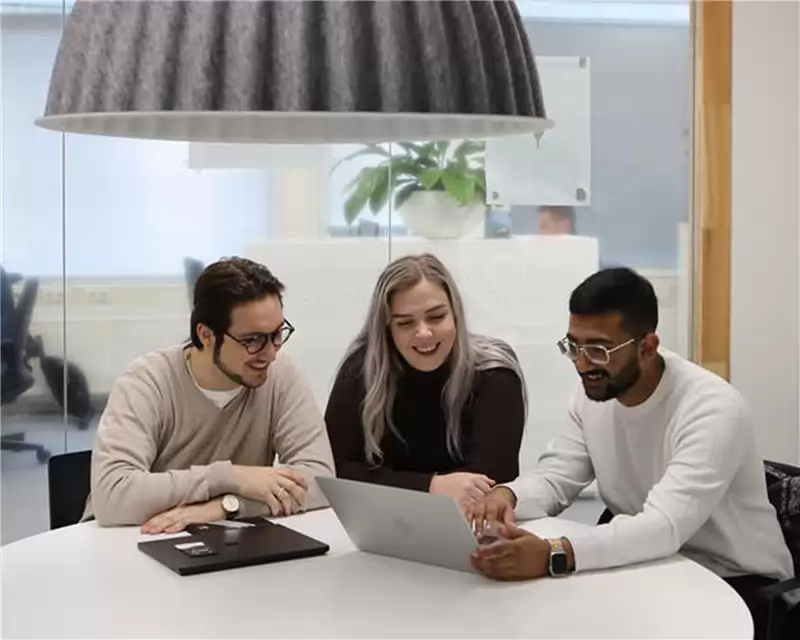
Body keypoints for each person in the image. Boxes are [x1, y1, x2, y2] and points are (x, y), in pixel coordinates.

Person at [469, 267, 793, 639]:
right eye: (573, 346)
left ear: (647, 347)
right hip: (650, 564)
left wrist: (553, 554)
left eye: (598, 350)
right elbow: (556, 477)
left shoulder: (712, 408)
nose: (582, 364)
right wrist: (506, 496)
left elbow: (663, 526)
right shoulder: (596, 392)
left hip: (738, 581)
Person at [85, 257, 335, 533]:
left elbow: (321, 481)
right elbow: (112, 495)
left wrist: (227, 507)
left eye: (277, 334)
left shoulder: (281, 375)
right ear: (206, 335)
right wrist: (230, 477)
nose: (271, 353)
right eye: (252, 340)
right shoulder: (146, 382)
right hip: (134, 537)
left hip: (231, 540)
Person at [324, 253, 526, 510]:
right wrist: (432, 486)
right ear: (387, 328)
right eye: (405, 323)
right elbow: (336, 469)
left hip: (469, 522)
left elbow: (490, 481)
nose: (423, 333)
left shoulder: (493, 371)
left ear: (456, 314)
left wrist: (391, 483)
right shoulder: (362, 369)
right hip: (384, 517)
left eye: (436, 317)